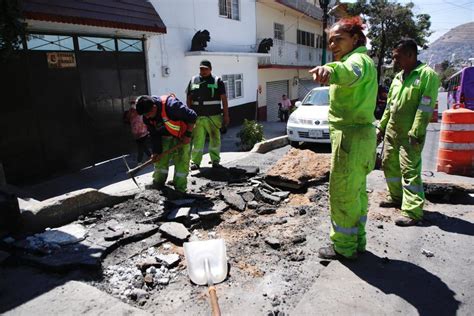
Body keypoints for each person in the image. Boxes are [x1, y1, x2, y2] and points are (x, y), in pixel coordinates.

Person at [309, 16, 377, 260]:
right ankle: (357, 240)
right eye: (330, 41)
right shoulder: (363, 60)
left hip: (351, 138)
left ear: (355, 39)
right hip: (360, 137)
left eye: (339, 39)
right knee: (357, 193)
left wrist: (330, 69)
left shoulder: (356, 61)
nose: (333, 45)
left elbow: (349, 72)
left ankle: (344, 247)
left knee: (342, 194)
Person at [377, 39, 440, 226]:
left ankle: (413, 211)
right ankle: (396, 197)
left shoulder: (427, 76)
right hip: (392, 131)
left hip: (410, 134)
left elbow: (425, 107)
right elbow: (390, 106)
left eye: (397, 57)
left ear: (410, 55)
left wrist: (416, 132)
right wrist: (381, 127)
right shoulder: (398, 77)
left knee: (409, 170)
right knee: (388, 164)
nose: (394, 61)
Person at [135, 94, 197, 192]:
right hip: (165, 136)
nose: (146, 117)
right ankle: (158, 184)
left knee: (181, 162)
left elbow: (192, 116)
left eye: (147, 114)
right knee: (160, 161)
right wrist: (156, 151)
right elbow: (154, 135)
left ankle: (180, 189)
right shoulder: (146, 117)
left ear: (154, 108)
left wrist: (188, 135)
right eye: (144, 115)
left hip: (182, 135)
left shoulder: (172, 106)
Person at [187, 60, 229, 170]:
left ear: (210, 69)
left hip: (214, 116)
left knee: (215, 139)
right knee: (198, 140)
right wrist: (189, 114)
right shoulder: (193, 80)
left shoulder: (217, 80)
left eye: (206, 69)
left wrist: (226, 115)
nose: (203, 71)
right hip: (198, 117)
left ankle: (215, 161)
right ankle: (195, 162)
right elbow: (189, 98)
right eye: (201, 68)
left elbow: (224, 99)